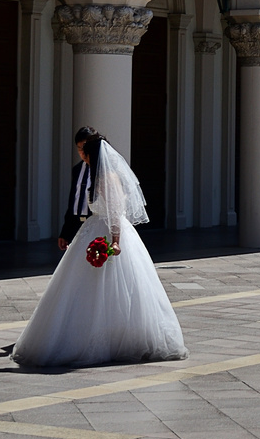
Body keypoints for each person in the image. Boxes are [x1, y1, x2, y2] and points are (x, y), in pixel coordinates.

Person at [12, 130, 188, 368]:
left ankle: (112, 336)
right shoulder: (95, 175)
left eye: (85, 151)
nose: (82, 155)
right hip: (92, 229)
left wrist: (115, 240)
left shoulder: (107, 178)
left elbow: (115, 211)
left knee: (116, 285)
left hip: (106, 230)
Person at [59, 126, 99, 251]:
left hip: (95, 225)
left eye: (85, 148)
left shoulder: (102, 171)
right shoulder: (77, 170)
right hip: (78, 225)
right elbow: (74, 202)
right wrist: (65, 232)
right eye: (79, 148)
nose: (82, 152)